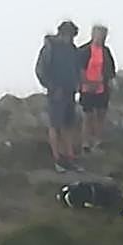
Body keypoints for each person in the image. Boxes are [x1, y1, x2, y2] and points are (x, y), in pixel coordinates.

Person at [35, 20, 83, 172]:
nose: (70, 38)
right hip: (56, 92)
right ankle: (58, 159)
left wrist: (77, 84)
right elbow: (40, 69)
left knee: (68, 125)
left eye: (72, 36)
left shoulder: (72, 49)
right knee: (55, 125)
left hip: (70, 92)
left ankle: (69, 158)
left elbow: (76, 68)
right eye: (69, 35)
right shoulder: (50, 48)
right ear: (62, 33)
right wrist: (51, 86)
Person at [78, 25, 117, 154]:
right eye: (100, 35)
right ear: (93, 35)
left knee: (101, 114)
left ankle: (98, 141)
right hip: (87, 87)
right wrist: (87, 82)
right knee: (88, 116)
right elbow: (80, 69)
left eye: (104, 35)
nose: (102, 38)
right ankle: (85, 143)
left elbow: (111, 69)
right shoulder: (84, 50)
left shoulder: (106, 51)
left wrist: (106, 80)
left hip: (102, 87)